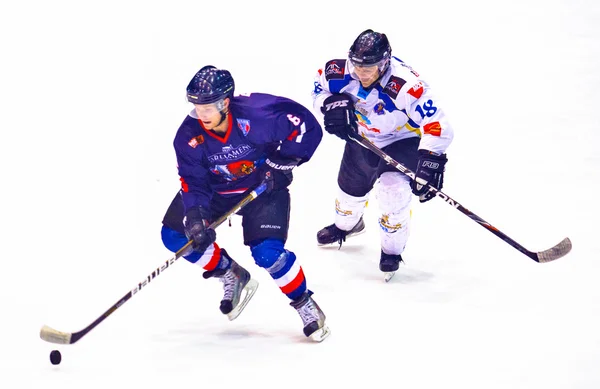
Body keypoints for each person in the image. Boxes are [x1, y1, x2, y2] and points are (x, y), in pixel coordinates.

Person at [160, 65, 330, 342]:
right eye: (196, 107)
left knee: (267, 254)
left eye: (207, 108)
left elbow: (306, 125)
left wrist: (286, 160)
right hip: (217, 192)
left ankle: (304, 304)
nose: (200, 115)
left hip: (263, 189)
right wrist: (196, 214)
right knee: (175, 236)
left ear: (224, 102)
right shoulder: (188, 136)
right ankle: (230, 272)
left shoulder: (257, 114)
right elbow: (192, 179)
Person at [311, 29, 455, 278]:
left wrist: (431, 160)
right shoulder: (335, 71)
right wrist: (329, 105)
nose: (361, 73)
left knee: (392, 190)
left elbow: (437, 124)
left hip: (403, 141)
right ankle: (347, 225)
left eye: (369, 67)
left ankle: (391, 251)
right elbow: (318, 91)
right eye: (356, 65)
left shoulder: (407, 86)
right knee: (349, 190)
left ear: (385, 62)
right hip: (362, 138)